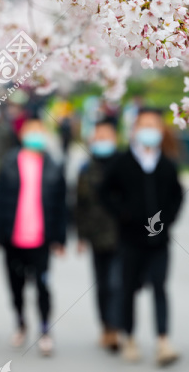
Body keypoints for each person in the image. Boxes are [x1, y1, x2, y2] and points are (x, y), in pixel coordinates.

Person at [101, 107, 184, 367]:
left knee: (160, 288)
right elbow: (105, 192)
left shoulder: (167, 163)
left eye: (154, 125)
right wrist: (123, 214)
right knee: (128, 290)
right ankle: (130, 337)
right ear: (135, 130)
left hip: (160, 241)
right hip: (130, 240)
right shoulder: (123, 161)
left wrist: (167, 220)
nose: (149, 130)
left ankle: (163, 340)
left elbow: (177, 196)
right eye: (144, 125)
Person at [0, 117, 67, 357]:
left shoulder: (54, 166)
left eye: (39, 131)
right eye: (30, 131)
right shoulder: (9, 163)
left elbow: (62, 206)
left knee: (43, 286)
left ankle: (45, 329)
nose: (35, 135)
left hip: (41, 238)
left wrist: (60, 239)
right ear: (21, 135)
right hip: (13, 237)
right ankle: (21, 323)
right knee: (16, 286)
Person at [74, 117, 122, 353]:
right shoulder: (86, 168)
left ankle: (115, 327)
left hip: (121, 236)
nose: (101, 141)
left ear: (116, 138)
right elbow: (80, 204)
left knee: (116, 283)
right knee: (102, 285)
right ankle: (105, 325)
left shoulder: (125, 165)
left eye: (106, 136)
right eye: (98, 137)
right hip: (95, 236)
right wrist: (81, 236)